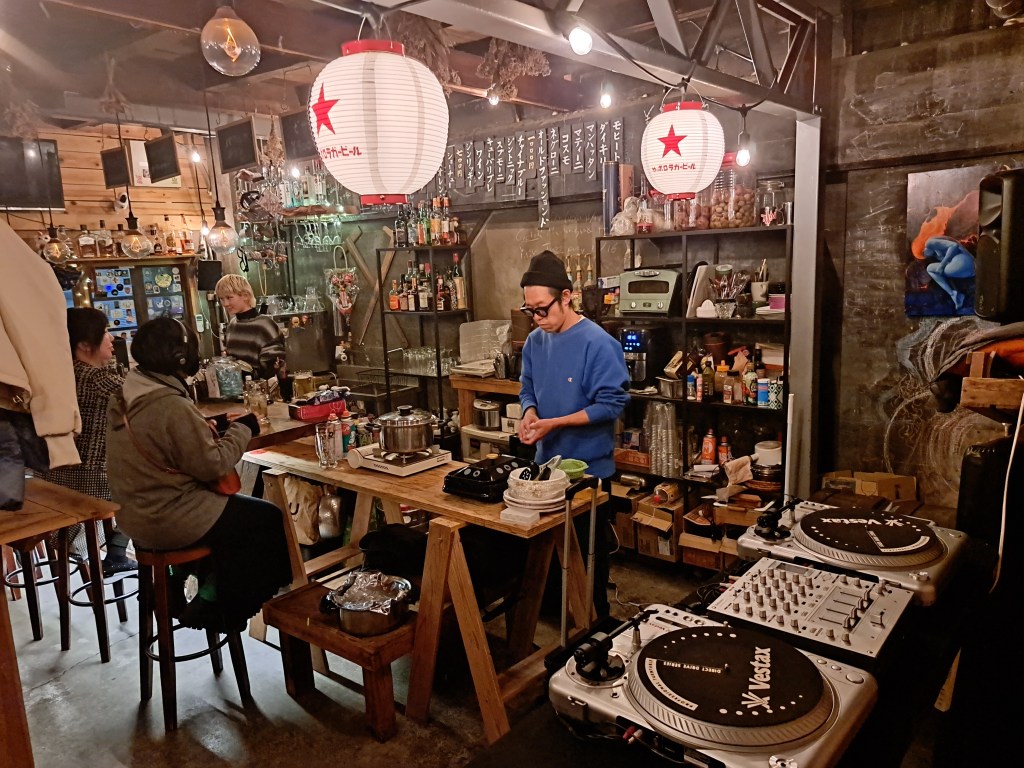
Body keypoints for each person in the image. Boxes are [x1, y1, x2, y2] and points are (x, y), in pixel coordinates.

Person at [106, 317, 291, 631]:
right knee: (265, 520)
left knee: (233, 520)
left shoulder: (127, 396)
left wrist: (209, 426)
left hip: (134, 517)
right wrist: (244, 428)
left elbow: (163, 440)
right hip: (167, 519)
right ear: (180, 357)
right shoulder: (168, 404)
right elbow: (213, 465)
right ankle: (217, 606)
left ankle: (173, 581)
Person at [517, 250, 630, 618]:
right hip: (546, 467)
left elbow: (611, 405)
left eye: (542, 309)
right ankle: (555, 618)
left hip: (588, 473)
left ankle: (596, 623)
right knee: (548, 554)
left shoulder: (598, 343)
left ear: (566, 297)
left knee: (587, 559)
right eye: (530, 311)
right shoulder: (535, 342)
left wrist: (556, 423)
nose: (537, 319)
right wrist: (530, 413)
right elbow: (527, 388)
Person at [36, 308, 135, 573]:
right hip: (90, 480)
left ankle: (106, 552)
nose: (111, 338)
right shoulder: (98, 379)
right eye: (104, 332)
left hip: (51, 476)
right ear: (83, 344)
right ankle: (116, 552)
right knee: (152, 485)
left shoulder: (56, 374)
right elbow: (147, 404)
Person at [214, 274, 287, 381]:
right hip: (237, 387)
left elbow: (273, 368)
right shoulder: (232, 325)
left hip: (262, 388)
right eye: (222, 299)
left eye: (229, 297)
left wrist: (247, 376)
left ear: (245, 296)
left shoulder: (265, 326)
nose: (225, 304)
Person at [924, 235, 976, 310]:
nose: (925, 255)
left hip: (963, 262)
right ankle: (955, 295)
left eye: (923, 253)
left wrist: (942, 265)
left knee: (929, 268)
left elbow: (954, 246)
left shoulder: (929, 243)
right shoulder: (937, 251)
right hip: (968, 270)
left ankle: (952, 294)